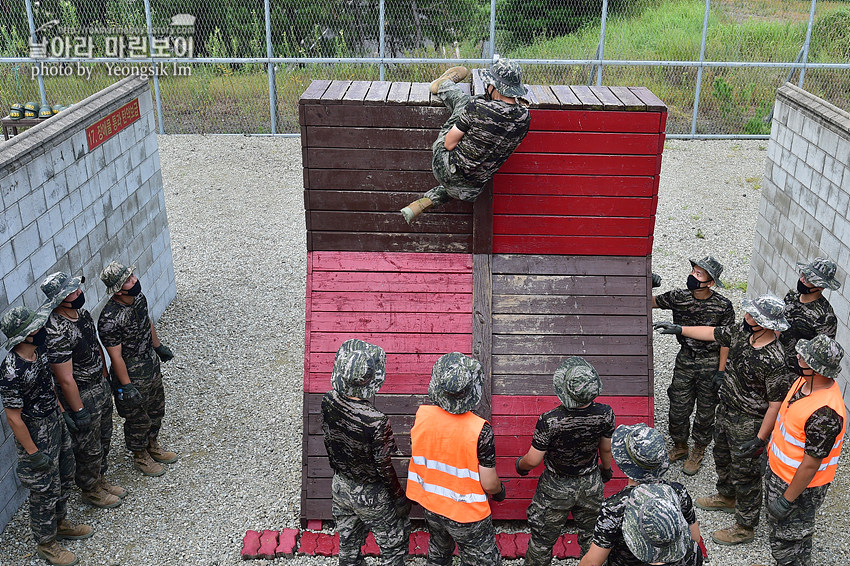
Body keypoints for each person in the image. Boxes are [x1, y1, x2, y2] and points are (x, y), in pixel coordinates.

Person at [654, 294, 793, 546]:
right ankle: (727, 497)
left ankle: (745, 526)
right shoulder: (743, 333)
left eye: (753, 316)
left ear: (766, 323)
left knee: (747, 475)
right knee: (723, 457)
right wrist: (679, 329)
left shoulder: (775, 359)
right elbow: (713, 332)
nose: (746, 317)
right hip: (726, 411)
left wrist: (761, 439)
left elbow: (775, 404)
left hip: (750, 423)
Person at [1, 305, 93, 566]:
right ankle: (47, 544)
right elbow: (13, 417)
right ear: (23, 335)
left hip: (55, 424)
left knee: (65, 476)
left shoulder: (38, 352)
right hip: (36, 438)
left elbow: (49, 386)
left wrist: (62, 413)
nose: (41, 329)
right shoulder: (11, 370)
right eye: (35, 328)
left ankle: (61, 523)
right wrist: (33, 454)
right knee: (43, 491)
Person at [400, 58, 531, 224]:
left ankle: (443, 85)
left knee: (463, 103)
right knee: (465, 180)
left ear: (494, 87)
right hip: (473, 188)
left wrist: (471, 108)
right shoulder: (525, 118)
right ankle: (430, 200)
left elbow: (449, 144)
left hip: (444, 168)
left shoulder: (477, 106)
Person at [406, 352, 506, 565]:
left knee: (439, 552)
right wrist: (499, 492)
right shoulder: (480, 430)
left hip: (432, 505)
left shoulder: (422, 415)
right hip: (467, 515)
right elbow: (489, 482)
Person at [516, 356, 614, 563]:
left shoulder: (550, 420)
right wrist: (606, 470)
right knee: (592, 536)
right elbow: (606, 449)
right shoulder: (605, 414)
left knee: (542, 540)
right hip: (590, 482)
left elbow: (533, 460)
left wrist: (520, 466)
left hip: (555, 486)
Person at [321, 339, 410, 566]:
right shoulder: (376, 421)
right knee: (393, 545)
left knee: (348, 543)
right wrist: (399, 496)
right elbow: (384, 467)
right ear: (371, 379)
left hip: (340, 486)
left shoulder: (328, 400)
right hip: (370, 494)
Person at [41, 271, 126, 508]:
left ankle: (100, 478)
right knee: (87, 445)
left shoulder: (82, 314)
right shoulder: (56, 330)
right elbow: (65, 378)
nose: (79, 293)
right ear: (59, 299)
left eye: (77, 288)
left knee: (104, 435)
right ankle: (90, 489)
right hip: (81, 393)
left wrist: (106, 375)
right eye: (71, 291)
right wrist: (78, 410)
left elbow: (94, 343)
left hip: (98, 384)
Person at [763, 334, 845, 566]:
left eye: (804, 357)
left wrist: (787, 500)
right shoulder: (805, 382)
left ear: (817, 369)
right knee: (789, 536)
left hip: (798, 488)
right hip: (780, 474)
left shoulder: (825, 415)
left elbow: (811, 463)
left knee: (787, 541)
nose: (798, 357)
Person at [652, 256, 735, 475]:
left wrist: (721, 371)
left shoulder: (722, 306)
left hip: (711, 361)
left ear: (710, 282)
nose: (693, 276)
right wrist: (644, 282)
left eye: (699, 274)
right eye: (693, 271)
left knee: (706, 410)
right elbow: (646, 302)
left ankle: (698, 449)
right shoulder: (679, 297)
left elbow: (726, 339)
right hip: (686, 358)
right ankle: (680, 446)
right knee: (678, 406)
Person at [579, 423, 703, 566]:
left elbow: (593, 562)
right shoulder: (678, 492)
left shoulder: (615, 507)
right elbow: (695, 538)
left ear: (624, 463)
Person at [97, 261, 177, 477]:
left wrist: (158, 346)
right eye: (128, 280)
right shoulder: (109, 319)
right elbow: (116, 356)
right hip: (131, 372)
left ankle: (152, 444)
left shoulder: (138, 298)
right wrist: (127, 385)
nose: (134, 281)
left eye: (132, 276)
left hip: (149, 363)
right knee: (137, 417)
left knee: (156, 408)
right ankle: (140, 455)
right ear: (118, 289)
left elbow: (146, 322)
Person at [779, 258, 839, 372]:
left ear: (820, 287)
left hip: (796, 371)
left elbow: (821, 356)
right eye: (803, 274)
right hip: (776, 360)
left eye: (807, 279)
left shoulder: (825, 317)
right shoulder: (792, 295)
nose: (801, 280)